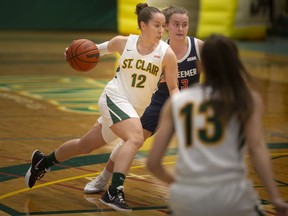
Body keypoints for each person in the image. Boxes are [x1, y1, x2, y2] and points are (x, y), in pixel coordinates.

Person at [24, 3, 179, 212]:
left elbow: (173, 87)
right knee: (135, 138)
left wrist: (182, 105)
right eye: (157, 25)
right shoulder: (123, 43)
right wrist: (71, 52)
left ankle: (42, 162)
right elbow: (91, 51)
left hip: (133, 110)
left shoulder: (167, 54)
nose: (161, 31)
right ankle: (114, 191)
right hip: (114, 97)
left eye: (163, 26)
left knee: (84, 145)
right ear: (143, 25)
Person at [146, 34, 288, 216]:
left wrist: (180, 184)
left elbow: (153, 163)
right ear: (234, 62)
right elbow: (257, 149)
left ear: (201, 65)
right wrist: (275, 197)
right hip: (231, 197)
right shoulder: (246, 99)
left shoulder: (177, 102)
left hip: (186, 200)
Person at [83, 5, 204, 194]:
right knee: (133, 141)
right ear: (167, 27)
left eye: (185, 25)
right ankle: (103, 178)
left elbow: (220, 69)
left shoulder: (198, 47)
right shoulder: (160, 50)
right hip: (158, 100)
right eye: (175, 24)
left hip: (186, 101)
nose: (180, 29)